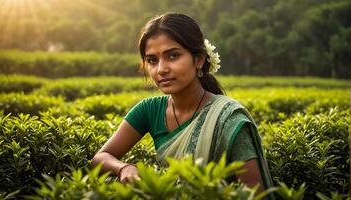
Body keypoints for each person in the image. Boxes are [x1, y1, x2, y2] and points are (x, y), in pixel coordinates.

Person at [91, 12, 273, 193]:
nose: (161, 69)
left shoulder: (229, 120)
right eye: (152, 60)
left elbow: (254, 194)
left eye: (173, 56)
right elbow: (100, 158)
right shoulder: (149, 110)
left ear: (199, 59)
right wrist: (124, 168)